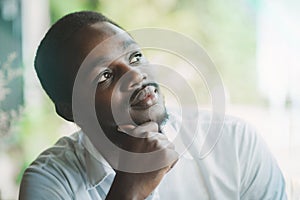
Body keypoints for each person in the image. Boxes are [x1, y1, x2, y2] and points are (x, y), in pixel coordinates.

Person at [19, 11, 286, 199]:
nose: (136, 75)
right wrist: (128, 190)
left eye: (135, 56)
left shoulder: (235, 143)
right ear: (71, 111)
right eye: (105, 76)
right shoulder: (51, 182)